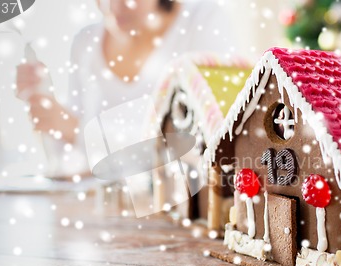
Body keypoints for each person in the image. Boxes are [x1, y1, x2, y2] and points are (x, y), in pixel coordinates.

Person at [16, 0, 237, 176]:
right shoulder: (85, 42)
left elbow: (198, 147)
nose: (112, 6)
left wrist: (76, 130)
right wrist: (44, 106)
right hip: (104, 212)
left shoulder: (202, 21)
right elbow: (73, 160)